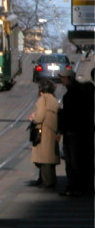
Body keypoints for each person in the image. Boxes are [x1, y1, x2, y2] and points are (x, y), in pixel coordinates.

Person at [58, 67, 94, 196]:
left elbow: (69, 115)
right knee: (79, 160)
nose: (61, 80)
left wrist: (61, 130)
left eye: (63, 78)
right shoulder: (81, 91)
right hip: (81, 131)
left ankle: (75, 187)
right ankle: (79, 186)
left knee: (74, 161)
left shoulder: (72, 95)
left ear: (68, 79)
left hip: (73, 132)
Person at [29, 79, 60, 190]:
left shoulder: (43, 99)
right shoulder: (54, 99)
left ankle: (47, 182)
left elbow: (40, 117)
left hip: (44, 132)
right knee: (50, 158)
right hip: (53, 131)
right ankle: (49, 180)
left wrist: (34, 119)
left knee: (44, 158)